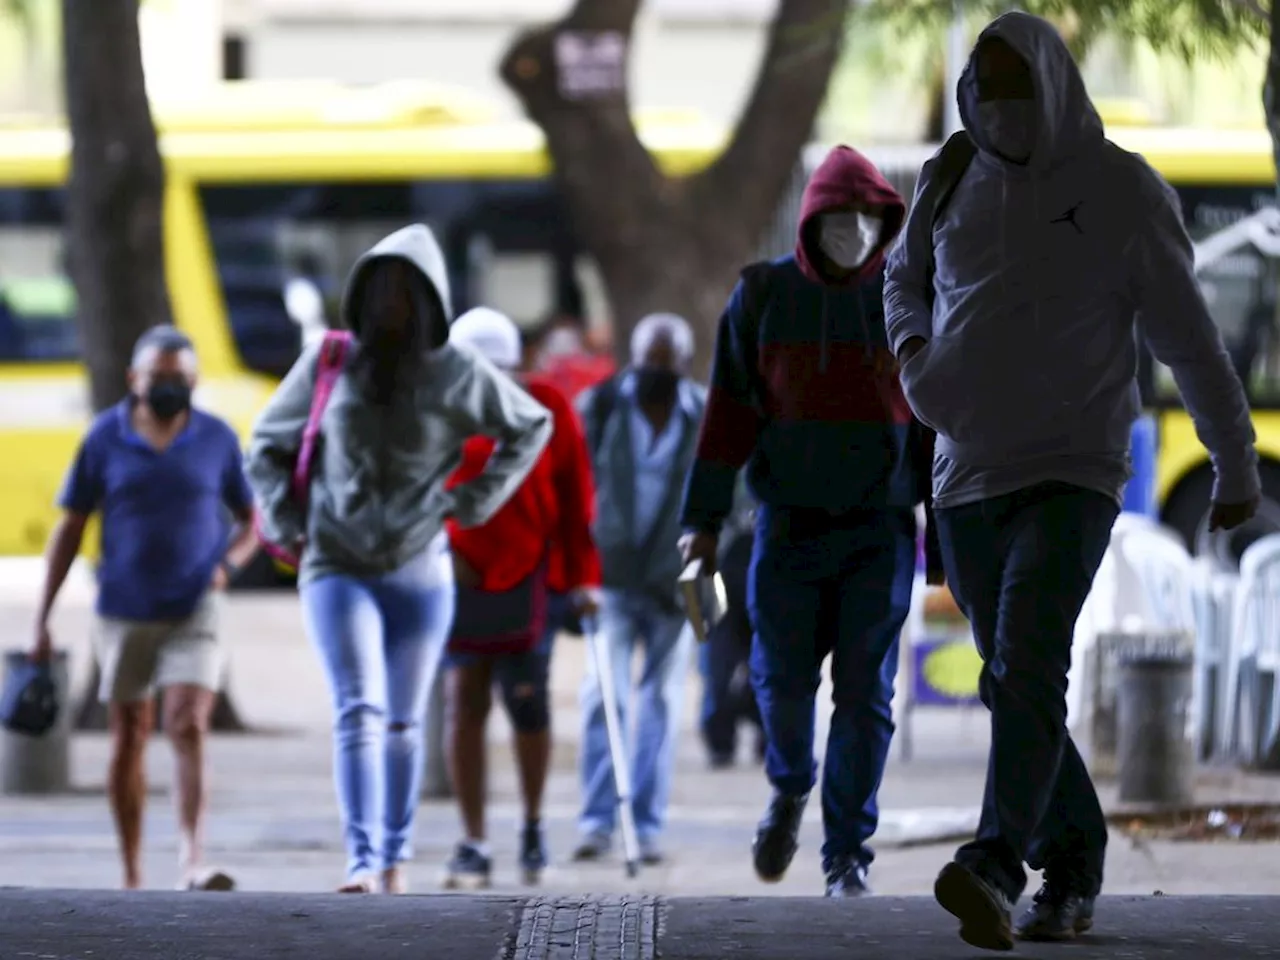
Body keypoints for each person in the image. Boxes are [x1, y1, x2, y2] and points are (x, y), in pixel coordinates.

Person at [883, 12, 1260, 949]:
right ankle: (1077, 859)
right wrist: (913, 354)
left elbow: (1190, 342)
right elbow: (902, 278)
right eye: (984, 86)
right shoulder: (948, 176)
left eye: (1013, 86)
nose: (996, 106)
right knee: (1015, 679)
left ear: (1052, 84)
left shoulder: (1122, 192)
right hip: (964, 470)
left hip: (1074, 468)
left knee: (1029, 658)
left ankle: (996, 865)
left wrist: (1235, 460)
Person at [246, 225, 553, 895]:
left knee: (406, 722)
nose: (390, 305)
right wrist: (287, 520)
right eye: (378, 290)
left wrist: (471, 501)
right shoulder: (330, 360)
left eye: (403, 293)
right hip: (335, 562)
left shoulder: (458, 372)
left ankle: (393, 858)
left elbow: (530, 426)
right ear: (360, 295)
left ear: (429, 301)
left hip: (421, 567)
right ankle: (360, 861)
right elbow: (265, 443)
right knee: (359, 709)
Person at [680, 145, 922, 897]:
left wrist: (949, 534)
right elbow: (726, 417)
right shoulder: (762, 299)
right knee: (779, 681)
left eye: (865, 220)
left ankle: (846, 854)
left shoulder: (907, 301)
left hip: (878, 534)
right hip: (785, 530)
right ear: (810, 224)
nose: (851, 233)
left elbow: (940, 423)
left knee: (865, 694)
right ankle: (789, 790)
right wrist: (703, 522)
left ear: (883, 224)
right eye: (836, 220)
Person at [31, 325, 260, 891]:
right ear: (135, 379)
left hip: (195, 606)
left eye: (180, 379)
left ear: (195, 381)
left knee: (187, 723)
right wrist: (43, 616)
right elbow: (71, 525)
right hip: (124, 609)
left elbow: (254, 519)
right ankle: (132, 872)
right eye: (159, 378)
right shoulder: (103, 438)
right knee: (129, 733)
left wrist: (225, 566)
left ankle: (191, 861)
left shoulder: (217, 438)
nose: (169, 387)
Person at [439, 307, 601, 889]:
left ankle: (532, 826)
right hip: (458, 575)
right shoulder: (439, 410)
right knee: (464, 700)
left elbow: (574, 494)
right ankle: (473, 838)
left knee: (527, 701)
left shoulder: (548, 409)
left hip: (534, 574)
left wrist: (585, 578)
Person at [573, 312, 704, 865]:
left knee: (661, 702)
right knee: (604, 695)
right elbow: (575, 486)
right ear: (633, 357)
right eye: (648, 362)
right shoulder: (599, 408)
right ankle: (598, 821)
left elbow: (735, 489)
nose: (655, 374)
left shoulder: (705, 416)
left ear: (683, 366)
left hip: (675, 586)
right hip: (612, 578)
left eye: (666, 365)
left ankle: (645, 823)